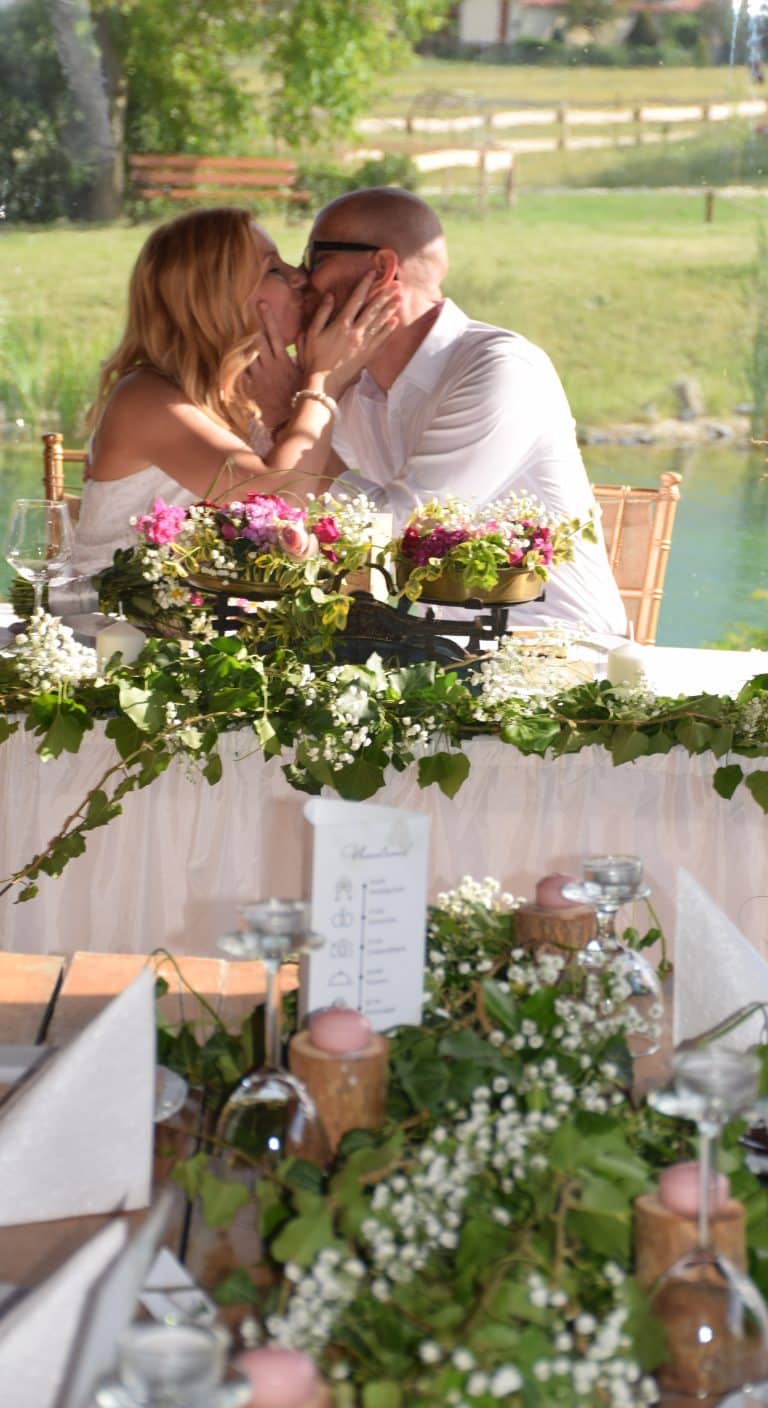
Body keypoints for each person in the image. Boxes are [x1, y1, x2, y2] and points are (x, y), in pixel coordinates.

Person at [295, 187, 626, 636]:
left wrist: (309, 397)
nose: (300, 279)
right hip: (433, 647)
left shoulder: (500, 369)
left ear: (381, 269)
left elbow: (398, 537)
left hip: (550, 646)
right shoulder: (359, 384)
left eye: (314, 258)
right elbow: (287, 497)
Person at [73, 205, 399, 574]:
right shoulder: (146, 400)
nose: (299, 276)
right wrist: (323, 381)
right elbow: (277, 504)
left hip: (219, 608)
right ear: (216, 299)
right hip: (113, 610)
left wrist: (292, 408)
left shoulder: (259, 391)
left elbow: (353, 516)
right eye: (273, 269)